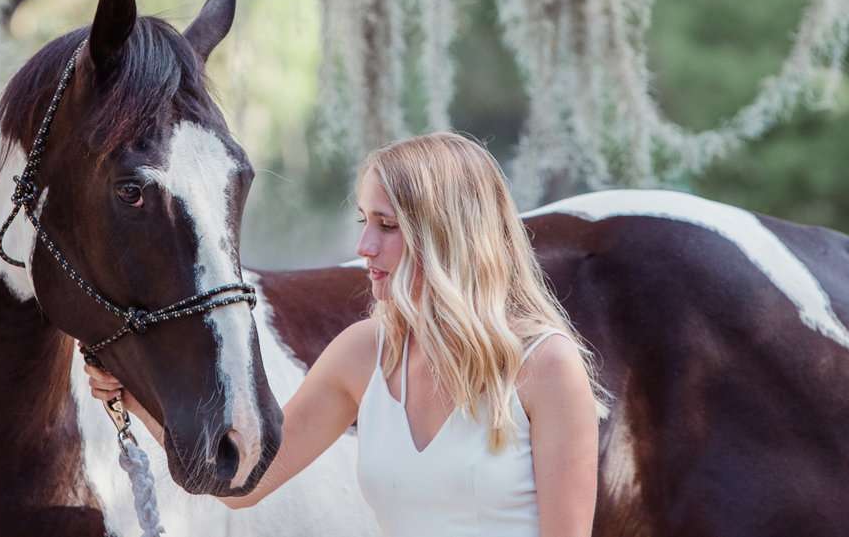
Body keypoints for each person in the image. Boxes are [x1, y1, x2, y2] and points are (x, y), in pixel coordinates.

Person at [86, 132, 603, 537]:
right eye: (363, 221)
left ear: (449, 235)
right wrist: (133, 397)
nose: (363, 245)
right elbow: (244, 483)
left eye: (386, 224)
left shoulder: (546, 366)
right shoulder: (365, 352)